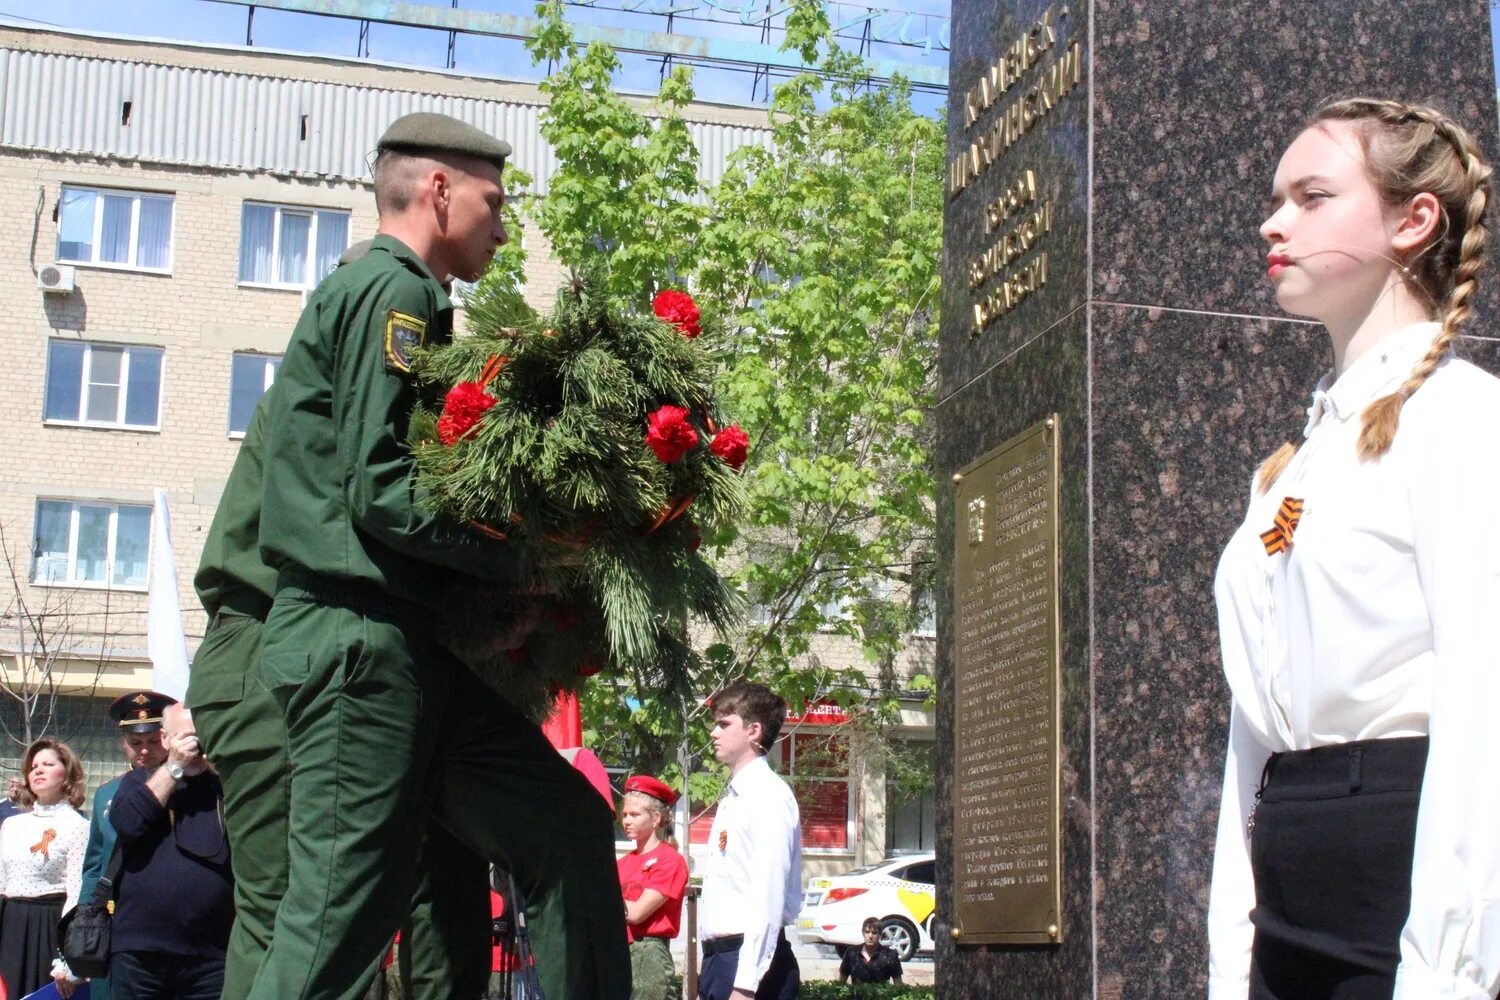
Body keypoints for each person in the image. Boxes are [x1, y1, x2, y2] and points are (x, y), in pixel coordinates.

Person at [246, 111, 629, 1000]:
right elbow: (380, 488)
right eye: (493, 203)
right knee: (336, 924)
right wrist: (524, 556)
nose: (504, 226)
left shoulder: (401, 293)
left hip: (400, 648)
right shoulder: (396, 289)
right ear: (439, 190)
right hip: (358, 643)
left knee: (568, 825)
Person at [1208, 98, 1500, 1000]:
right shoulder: (1293, 466)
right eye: (1276, 198)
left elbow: (1484, 696)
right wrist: (1233, 946)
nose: (1273, 220)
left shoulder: (1462, 421)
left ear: (1413, 222)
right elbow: (1252, 739)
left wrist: (1448, 969)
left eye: (1311, 196)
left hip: (1403, 869)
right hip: (1291, 877)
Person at [106, 702, 233, 1000]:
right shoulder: (139, 781)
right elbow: (126, 824)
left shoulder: (224, 785)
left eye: (198, 736)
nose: (192, 744)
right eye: (183, 736)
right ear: (166, 739)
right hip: (141, 951)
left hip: (210, 955)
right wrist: (173, 768)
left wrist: (218, 768)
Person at [698, 681, 802, 1000]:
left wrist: (745, 985)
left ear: (753, 731)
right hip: (722, 960)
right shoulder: (736, 795)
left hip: (753, 965)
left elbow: (766, 896)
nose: (714, 733)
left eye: (724, 724)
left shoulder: (768, 796)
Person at [78, 691, 177, 1000]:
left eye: (153, 741)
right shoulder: (107, 794)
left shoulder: (185, 789)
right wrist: (84, 921)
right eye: (136, 743)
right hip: (117, 921)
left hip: (171, 923)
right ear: (123, 743)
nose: (144, 751)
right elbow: (95, 864)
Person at [0, 737, 88, 998]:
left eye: (48, 764)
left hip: (49, 927)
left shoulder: (77, 826)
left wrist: (69, 955)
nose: (38, 770)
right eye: (34, 766)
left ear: (67, 774)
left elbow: (77, 892)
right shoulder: (11, 825)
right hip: (10, 924)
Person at [618, 775, 689, 1000]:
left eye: (635, 815)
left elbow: (638, 913)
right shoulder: (623, 862)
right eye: (625, 814)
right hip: (618, 948)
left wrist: (603, 898)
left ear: (656, 818)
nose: (627, 820)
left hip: (648, 952)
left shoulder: (669, 860)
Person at [838, 919, 901, 986]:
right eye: (867, 932)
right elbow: (841, 982)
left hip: (881, 995)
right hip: (856, 995)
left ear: (880, 935)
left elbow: (898, 985)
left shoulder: (890, 955)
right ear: (862, 933)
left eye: (874, 933)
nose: (870, 936)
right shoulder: (851, 953)